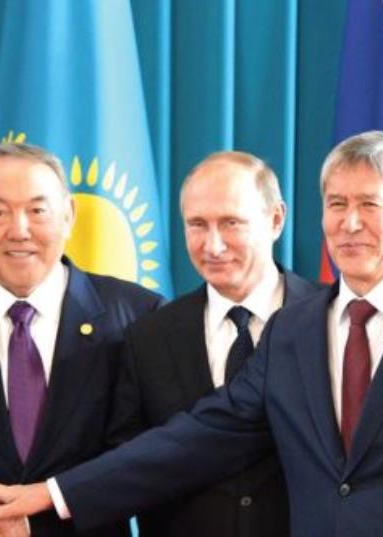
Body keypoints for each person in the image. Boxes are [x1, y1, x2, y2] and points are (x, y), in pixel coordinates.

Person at [0, 130, 383, 537]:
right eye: (337, 204)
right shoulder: (295, 330)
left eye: (370, 205)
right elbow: (199, 435)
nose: (350, 223)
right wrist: (47, 494)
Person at [0, 143, 165, 536]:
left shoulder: (138, 316)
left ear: (69, 215)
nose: (18, 230)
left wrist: (34, 524)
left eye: (37, 210)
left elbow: (141, 461)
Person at [106, 151, 319, 536]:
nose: (213, 245)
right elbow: (128, 467)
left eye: (231, 223)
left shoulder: (331, 320)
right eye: (198, 225)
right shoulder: (148, 336)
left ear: (275, 220)